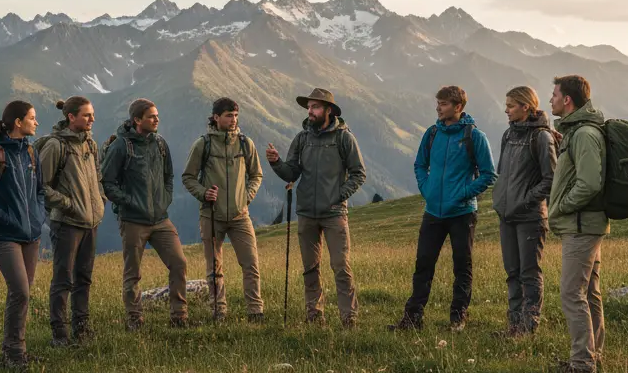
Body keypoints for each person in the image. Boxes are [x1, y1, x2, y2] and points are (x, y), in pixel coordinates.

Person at [389, 85, 497, 333]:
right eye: (437, 103)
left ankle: (457, 320)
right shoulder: (432, 134)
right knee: (423, 265)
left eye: (444, 104)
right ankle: (412, 319)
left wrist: (463, 194)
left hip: (462, 213)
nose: (438, 108)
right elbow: (419, 164)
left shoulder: (474, 137)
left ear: (458, 107)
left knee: (462, 266)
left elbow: (489, 174)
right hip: (433, 212)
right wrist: (427, 189)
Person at [266, 87, 366, 327]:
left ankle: (349, 319)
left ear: (328, 110)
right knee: (310, 268)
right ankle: (314, 316)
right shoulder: (302, 138)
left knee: (341, 267)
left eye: (315, 107)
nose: (310, 111)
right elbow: (292, 172)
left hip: (334, 214)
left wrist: (339, 196)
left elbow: (358, 173)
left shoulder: (344, 137)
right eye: (309, 107)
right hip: (306, 214)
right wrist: (276, 163)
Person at [102, 98, 189, 331]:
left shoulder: (160, 144)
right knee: (133, 273)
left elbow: (169, 176)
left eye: (157, 115)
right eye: (151, 116)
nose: (157, 119)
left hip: (161, 219)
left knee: (179, 263)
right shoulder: (121, 146)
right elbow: (107, 182)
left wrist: (165, 199)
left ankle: (179, 316)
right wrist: (129, 202)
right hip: (133, 221)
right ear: (137, 120)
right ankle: (134, 319)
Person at [546, 75, 609, 373]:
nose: (551, 100)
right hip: (585, 224)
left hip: (582, 226)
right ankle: (593, 355)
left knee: (572, 293)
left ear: (567, 100)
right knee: (590, 293)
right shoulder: (578, 132)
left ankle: (582, 364)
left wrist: (561, 206)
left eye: (554, 95)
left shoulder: (583, 134)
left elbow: (589, 183)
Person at [181, 97, 265, 322]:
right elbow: (188, 177)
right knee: (214, 268)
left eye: (236, 115)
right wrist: (203, 193)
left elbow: (256, 174)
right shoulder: (203, 144)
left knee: (251, 265)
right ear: (216, 117)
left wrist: (246, 197)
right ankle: (219, 312)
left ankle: (255, 312)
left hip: (240, 216)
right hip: (211, 216)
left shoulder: (246, 143)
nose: (233, 120)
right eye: (229, 115)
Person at [0, 100, 46, 369]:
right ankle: (13, 352)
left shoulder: (31, 152)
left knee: (24, 292)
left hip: (31, 235)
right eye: (32, 117)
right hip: (5, 235)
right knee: (20, 291)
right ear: (18, 122)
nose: (36, 122)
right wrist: (8, 220)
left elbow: (40, 190)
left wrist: (38, 218)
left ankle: (17, 350)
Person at [38, 96, 105, 346]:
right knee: (63, 278)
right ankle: (59, 332)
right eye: (87, 115)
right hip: (66, 223)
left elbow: (97, 176)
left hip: (90, 221)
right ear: (71, 117)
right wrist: (67, 204)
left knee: (84, 277)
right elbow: (40, 185)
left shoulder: (91, 144)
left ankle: (82, 327)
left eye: (92, 114)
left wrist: (100, 199)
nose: (92, 119)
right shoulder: (56, 146)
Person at [492, 86, 557, 337]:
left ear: (525, 107)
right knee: (512, 272)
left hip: (530, 217)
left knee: (529, 273)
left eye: (510, 105)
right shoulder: (509, 135)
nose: (506, 110)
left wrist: (526, 200)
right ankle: (514, 326)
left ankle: (528, 328)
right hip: (507, 216)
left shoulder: (541, 137)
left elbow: (550, 178)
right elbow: (503, 174)